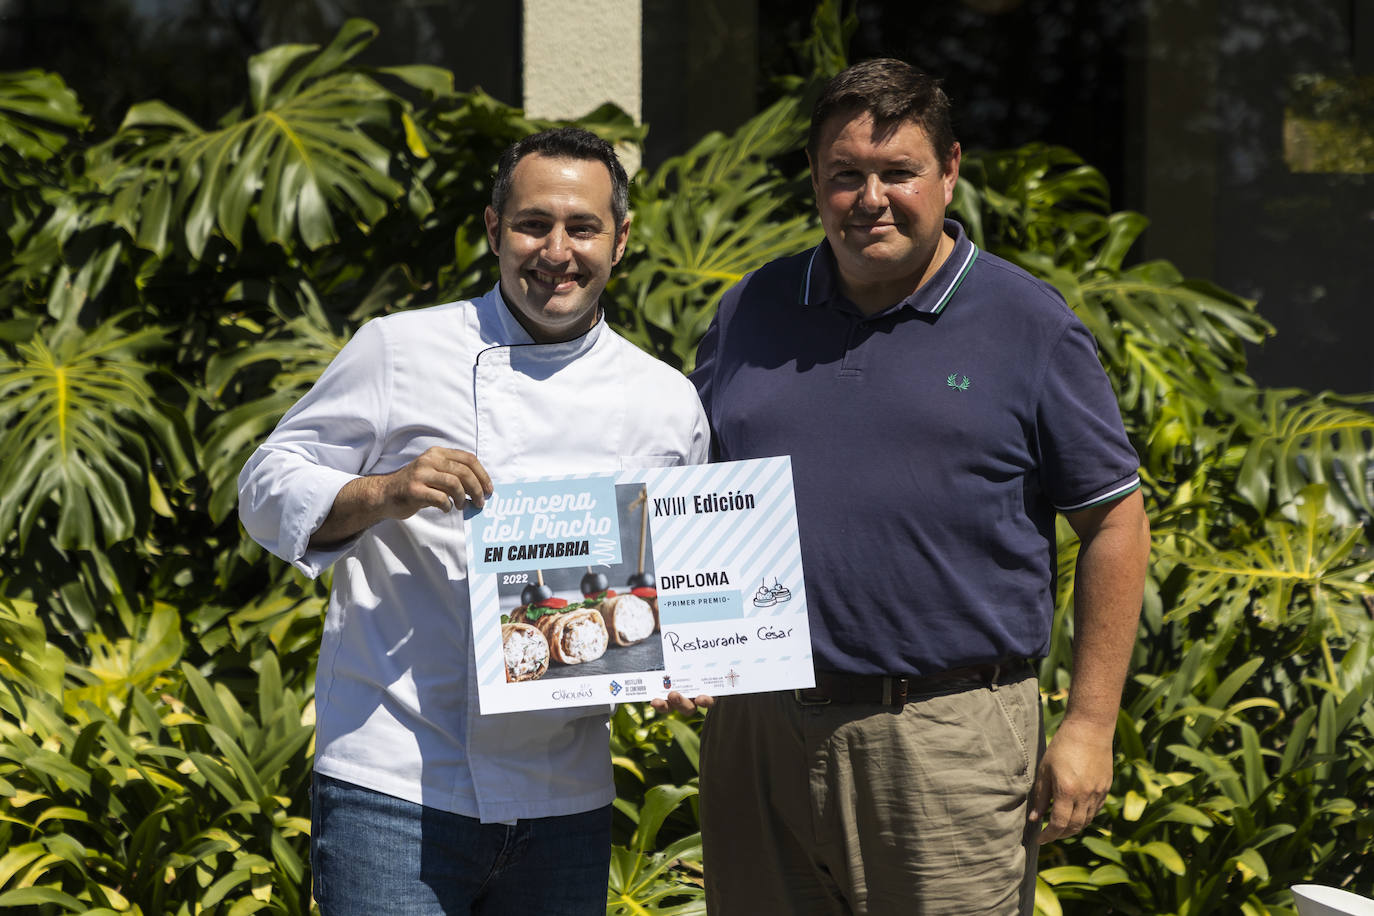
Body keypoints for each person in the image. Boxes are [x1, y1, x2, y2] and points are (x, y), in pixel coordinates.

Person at [657, 59, 1151, 915]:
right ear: (815, 180)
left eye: (899, 173)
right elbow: (690, 489)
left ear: (949, 171)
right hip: (758, 732)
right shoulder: (750, 310)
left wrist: (1090, 724)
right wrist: (666, 637)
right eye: (846, 175)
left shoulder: (1027, 324)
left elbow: (1115, 521)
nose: (871, 198)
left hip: (943, 736)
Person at [238, 127, 709, 915]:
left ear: (620, 241)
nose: (556, 251)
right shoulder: (399, 350)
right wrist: (383, 493)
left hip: (566, 794)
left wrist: (687, 660)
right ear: (495, 230)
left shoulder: (665, 401)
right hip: (395, 778)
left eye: (583, 228)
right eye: (533, 224)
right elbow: (264, 486)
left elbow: (684, 581)